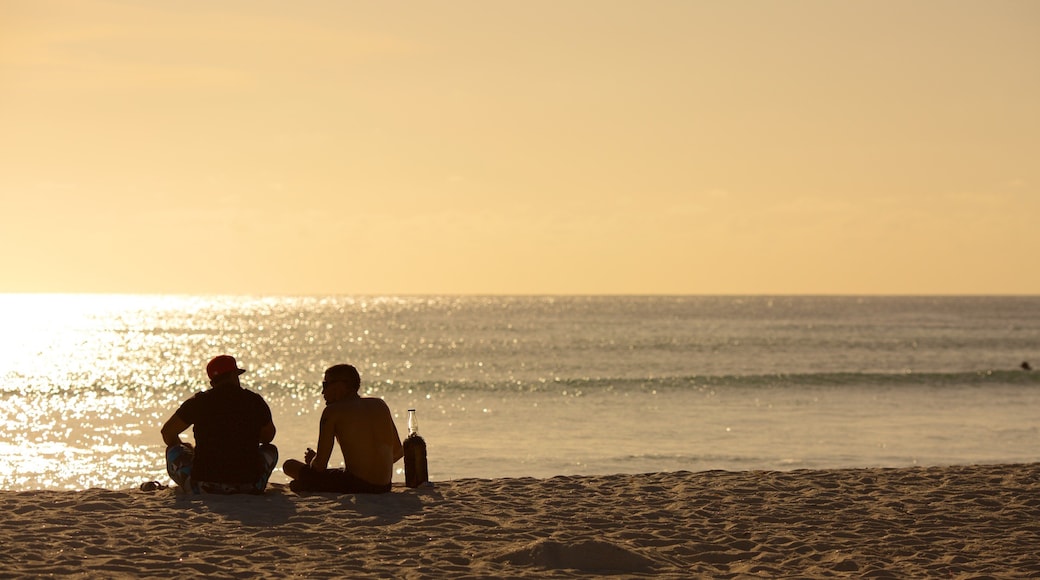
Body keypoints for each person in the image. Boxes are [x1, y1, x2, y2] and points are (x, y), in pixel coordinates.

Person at [160, 354, 278, 494]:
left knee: (173, 450)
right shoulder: (254, 401)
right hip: (249, 485)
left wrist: (185, 447)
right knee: (270, 449)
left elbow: (167, 432)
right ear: (234, 375)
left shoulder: (198, 402)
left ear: (212, 383)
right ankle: (254, 484)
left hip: (204, 486)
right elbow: (268, 437)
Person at [283, 364, 404, 494]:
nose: (323, 392)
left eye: (325, 385)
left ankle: (305, 485)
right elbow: (398, 451)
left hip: (355, 485)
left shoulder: (332, 411)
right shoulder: (380, 405)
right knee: (339, 472)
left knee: (289, 465)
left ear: (339, 386)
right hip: (384, 486)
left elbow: (320, 466)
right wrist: (371, 467)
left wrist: (312, 460)